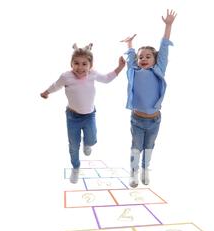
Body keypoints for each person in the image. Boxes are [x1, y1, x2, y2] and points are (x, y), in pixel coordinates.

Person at [40, 43, 126, 183]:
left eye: (84, 64)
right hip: (72, 116)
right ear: (71, 64)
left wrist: (120, 68)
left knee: (91, 139)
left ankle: (88, 143)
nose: (80, 67)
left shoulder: (93, 74)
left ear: (90, 65)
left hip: (89, 115)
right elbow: (56, 86)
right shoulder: (66, 76)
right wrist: (46, 92)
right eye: (76, 63)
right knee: (73, 145)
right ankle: (76, 167)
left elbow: (107, 79)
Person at [121, 9, 177, 187]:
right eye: (141, 57)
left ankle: (146, 170)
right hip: (137, 120)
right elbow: (130, 57)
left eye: (148, 56)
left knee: (149, 148)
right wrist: (129, 44)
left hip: (154, 120)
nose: (143, 59)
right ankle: (133, 173)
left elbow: (164, 48)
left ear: (155, 59)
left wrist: (168, 26)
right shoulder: (133, 71)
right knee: (136, 147)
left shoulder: (158, 70)